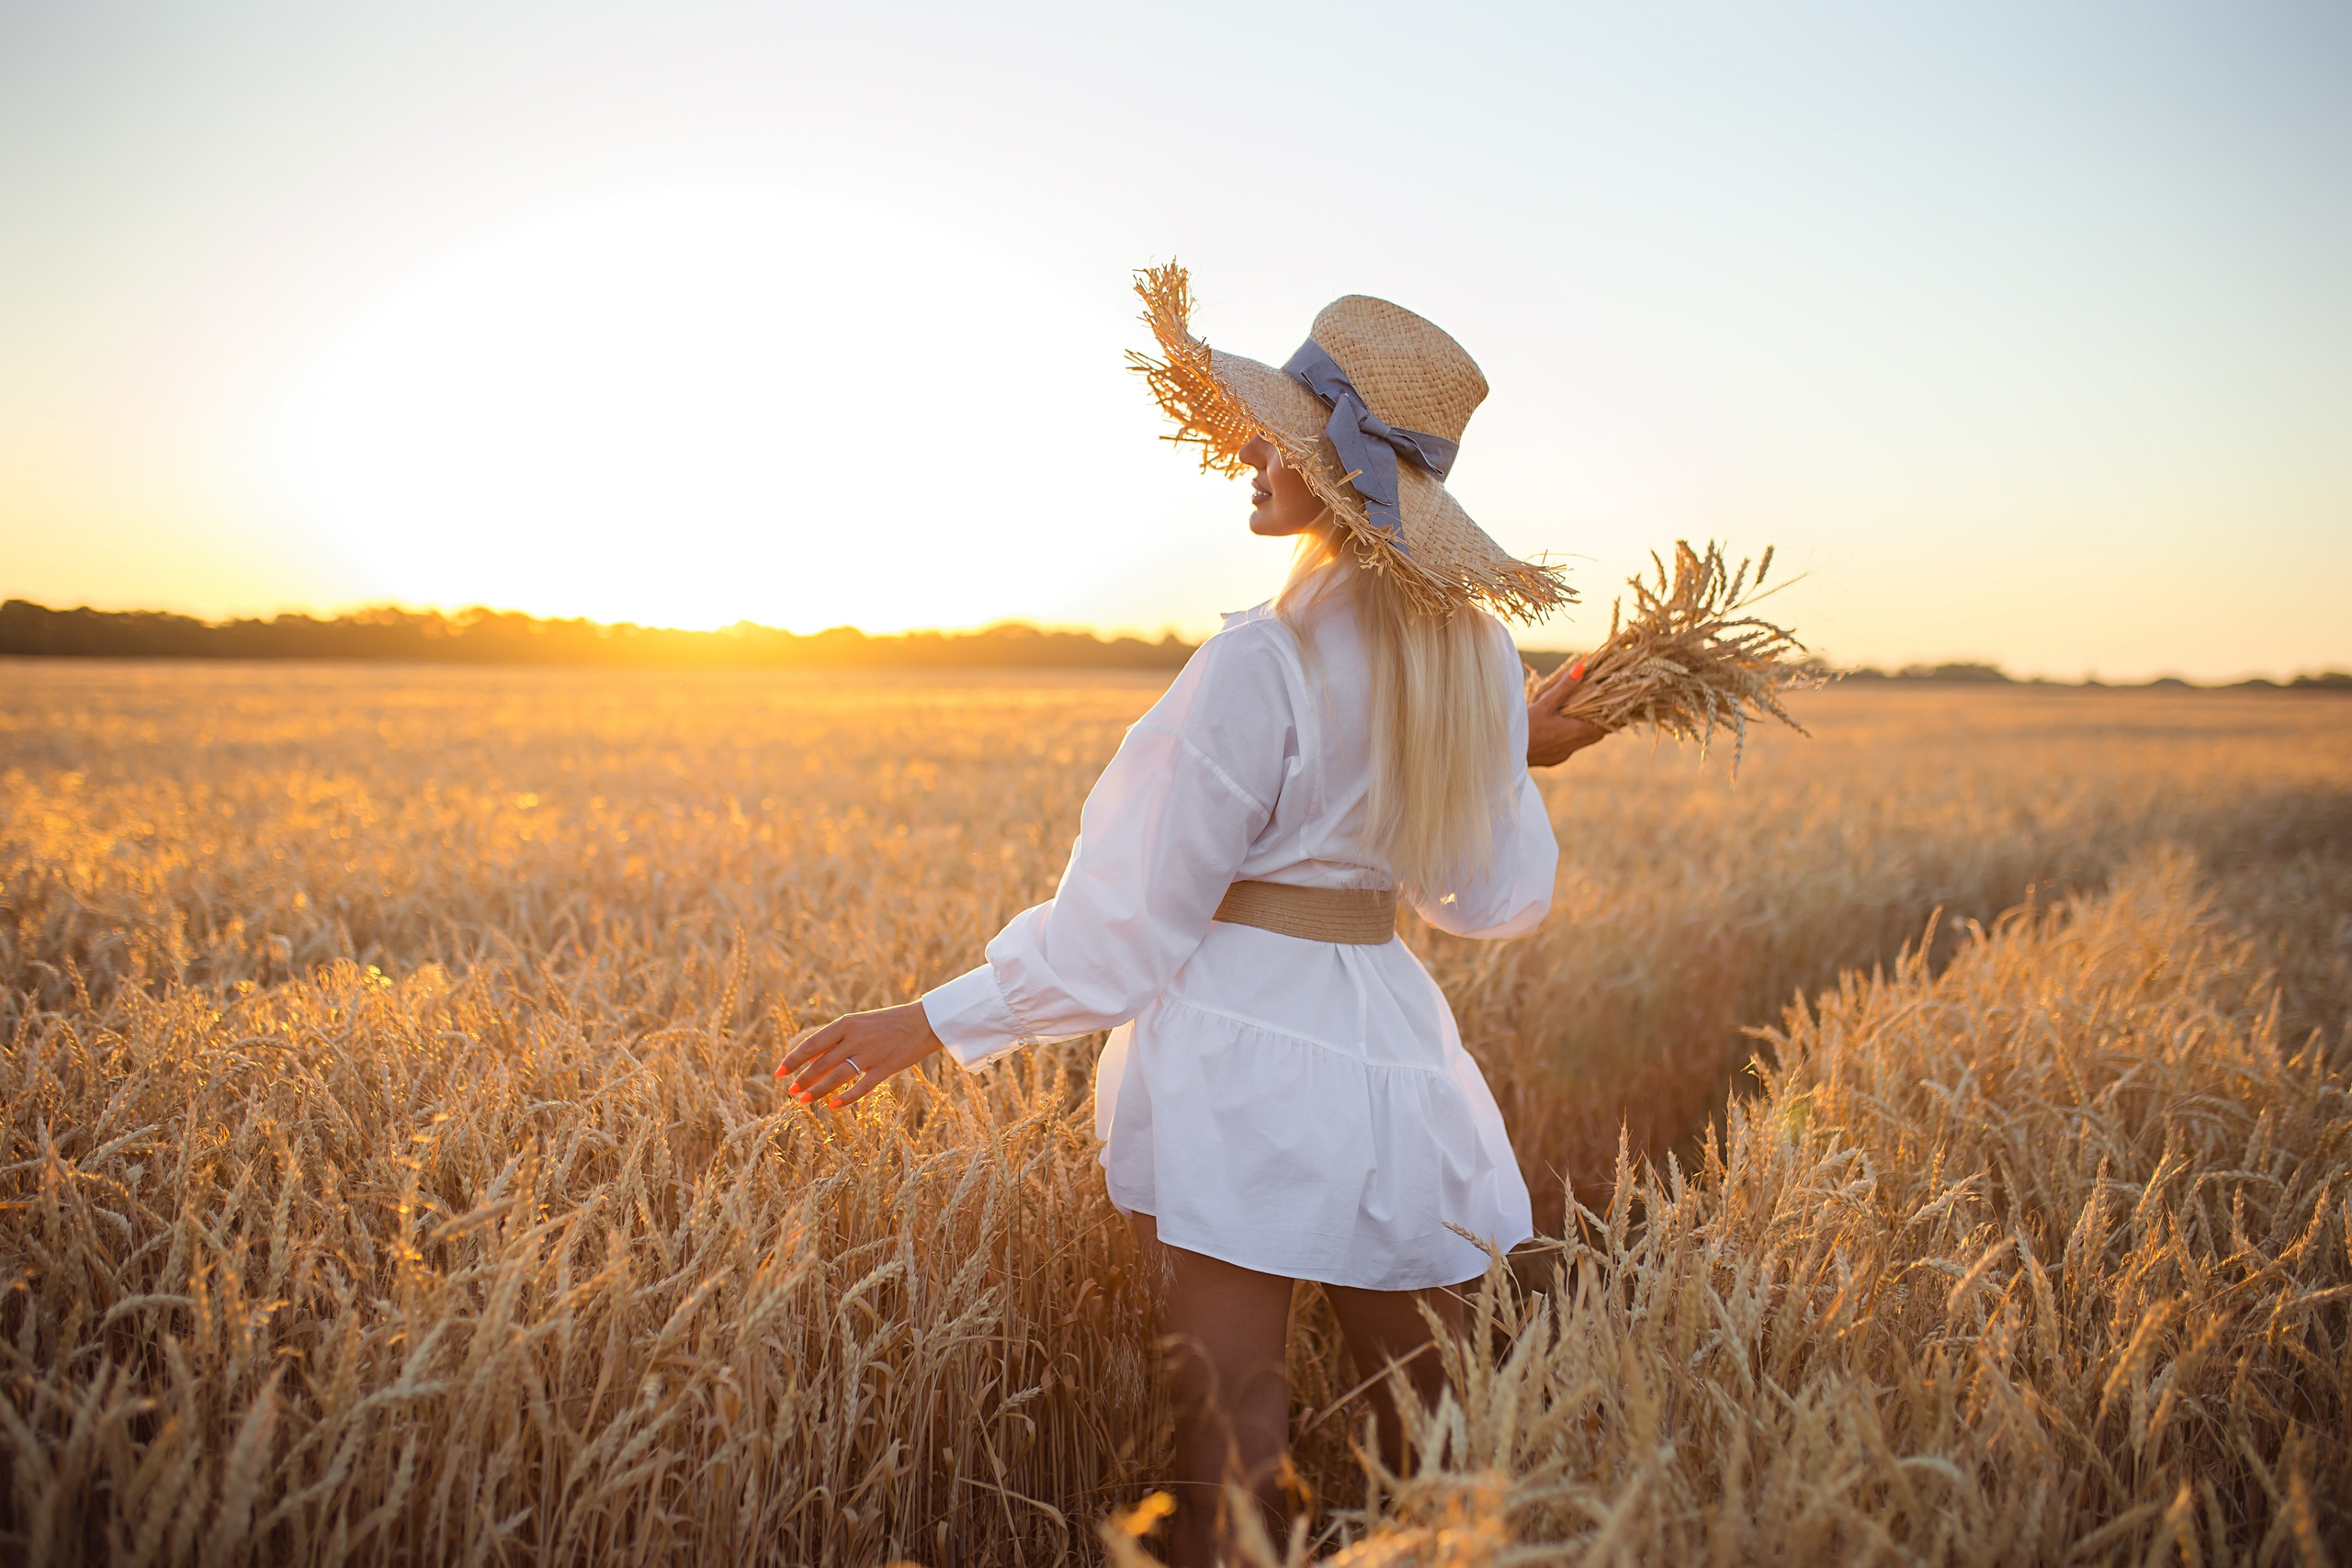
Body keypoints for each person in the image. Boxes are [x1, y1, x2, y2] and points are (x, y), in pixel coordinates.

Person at [781, 265, 1606, 1564]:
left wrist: (929, 1022)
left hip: (1234, 1051)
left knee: (1227, 1466)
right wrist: (1508, 754)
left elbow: (1122, 936)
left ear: (1333, 460)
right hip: (1394, 1046)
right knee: (1445, 1457)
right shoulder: (1478, 666)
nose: (1243, 445)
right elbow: (1488, 901)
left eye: (1272, 428)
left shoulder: (1255, 664)